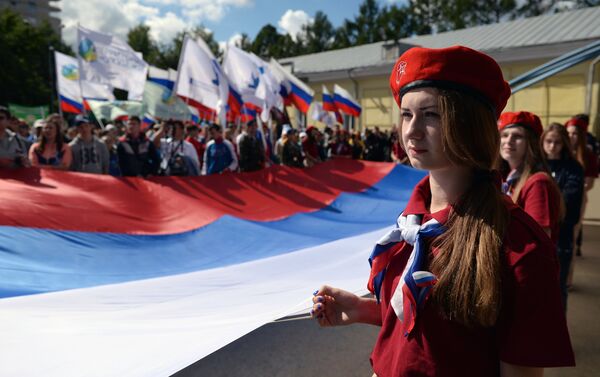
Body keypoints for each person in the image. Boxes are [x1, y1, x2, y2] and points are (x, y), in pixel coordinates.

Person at [311, 46, 574, 376]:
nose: (412, 130)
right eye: (407, 114)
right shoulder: (412, 222)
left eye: (431, 115)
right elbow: (437, 329)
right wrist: (364, 310)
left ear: (471, 123)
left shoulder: (519, 245)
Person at [498, 111, 562, 243]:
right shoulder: (505, 177)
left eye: (517, 136)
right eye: (504, 135)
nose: (508, 141)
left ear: (531, 143)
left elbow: (540, 239)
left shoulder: (538, 182)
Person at [541, 123, 584, 309]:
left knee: (558, 289)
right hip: (540, 235)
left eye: (557, 142)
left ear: (564, 143)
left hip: (561, 237)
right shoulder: (537, 164)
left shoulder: (573, 168)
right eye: (549, 141)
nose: (552, 146)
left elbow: (570, 199)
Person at [564, 116, 598, 257]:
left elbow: (589, 183)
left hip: (578, 197)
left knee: (574, 232)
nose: (571, 136)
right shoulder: (560, 152)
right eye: (569, 133)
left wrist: (574, 189)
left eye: (575, 133)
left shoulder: (588, 155)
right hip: (559, 197)